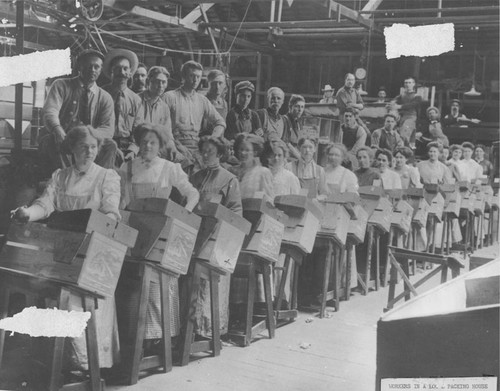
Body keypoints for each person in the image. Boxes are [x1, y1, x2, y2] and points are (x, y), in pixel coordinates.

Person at [12, 125, 121, 370]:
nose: (89, 152)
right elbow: (45, 204)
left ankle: (89, 365)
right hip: (62, 250)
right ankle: (62, 362)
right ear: (72, 149)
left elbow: (111, 209)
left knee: (85, 304)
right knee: (59, 300)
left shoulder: (107, 177)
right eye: (83, 147)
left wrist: (106, 220)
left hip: (94, 252)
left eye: (93, 147)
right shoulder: (60, 176)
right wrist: (27, 213)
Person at [116, 123, 199, 351]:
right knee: (131, 282)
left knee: (158, 283)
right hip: (134, 231)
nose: (148, 146)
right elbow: (122, 200)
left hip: (161, 231)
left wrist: (184, 216)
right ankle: (134, 337)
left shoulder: (170, 168)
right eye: (144, 142)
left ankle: (160, 338)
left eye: (153, 142)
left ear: (161, 145)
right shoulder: (128, 167)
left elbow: (192, 193)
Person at [189, 136, 242, 339]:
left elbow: (236, 212)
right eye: (203, 151)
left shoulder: (229, 179)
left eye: (210, 151)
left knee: (211, 283)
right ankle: (191, 330)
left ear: (220, 154)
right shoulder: (195, 178)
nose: (205, 155)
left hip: (218, 239)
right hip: (196, 235)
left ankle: (209, 331)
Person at [40, 49, 116, 173]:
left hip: (90, 142)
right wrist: (57, 128)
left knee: (111, 145)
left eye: (96, 67)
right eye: (88, 65)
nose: (92, 70)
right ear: (79, 66)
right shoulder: (61, 85)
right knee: (50, 140)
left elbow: (108, 128)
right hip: (64, 137)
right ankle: (66, 181)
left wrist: (89, 138)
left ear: (101, 70)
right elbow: (50, 111)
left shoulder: (105, 97)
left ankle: (98, 181)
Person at [164, 60, 226, 173]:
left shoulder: (202, 100)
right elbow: (162, 127)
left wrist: (211, 140)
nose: (195, 80)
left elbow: (220, 122)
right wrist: (174, 146)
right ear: (184, 76)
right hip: (175, 144)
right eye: (192, 75)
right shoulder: (170, 97)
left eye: (198, 76)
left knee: (213, 170)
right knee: (187, 169)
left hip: (197, 146)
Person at [102, 48, 144, 163]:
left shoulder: (136, 100)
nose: (121, 72)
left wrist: (133, 151)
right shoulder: (102, 95)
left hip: (127, 147)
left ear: (130, 72)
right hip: (104, 144)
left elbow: (138, 130)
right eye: (117, 69)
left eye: (125, 69)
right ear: (112, 71)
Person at [139, 66, 178, 159]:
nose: (160, 85)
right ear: (148, 81)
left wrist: (172, 145)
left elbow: (167, 132)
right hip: (141, 144)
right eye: (157, 81)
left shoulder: (164, 107)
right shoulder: (137, 100)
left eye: (163, 82)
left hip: (158, 145)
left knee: (183, 162)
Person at [229, 133, 274, 199]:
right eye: (241, 149)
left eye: (247, 150)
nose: (243, 153)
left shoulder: (263, 173)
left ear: (254, 153)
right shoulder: (231, 171)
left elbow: (269, 200)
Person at [388, 76, 422, 148]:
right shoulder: (401, 95)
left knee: (404, 136)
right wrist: (391, 104)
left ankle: (403, 152)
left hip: (411, 117)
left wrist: (399, 106)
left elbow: (412, 105)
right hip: (401, 118)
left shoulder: (417, 96)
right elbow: (393, 101)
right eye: (406, 83)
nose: (407, 84)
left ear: (413, 84)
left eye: (409, 82)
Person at [283, 94, 306, 160]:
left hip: (297, 157)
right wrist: (300, 157)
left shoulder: (298, 123)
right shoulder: (284, 120)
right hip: (287, 157)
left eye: (302, 107)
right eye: (297, 106)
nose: (300, 110)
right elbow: (287, 143)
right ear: (290, 107)